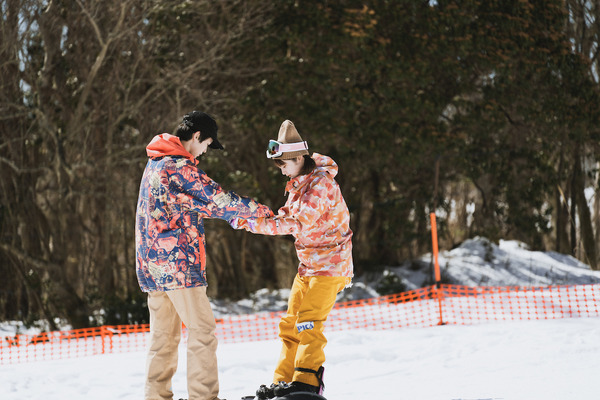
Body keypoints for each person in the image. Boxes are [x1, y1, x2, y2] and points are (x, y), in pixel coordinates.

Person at [135, 111, 272, 400]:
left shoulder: (155, 163)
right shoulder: (178, 167)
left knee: (163, 337)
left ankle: (155, 396)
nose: (206, 151)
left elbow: (200, 206)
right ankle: (204, 397)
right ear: (196, 136)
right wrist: (263, 213)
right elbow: (216, 199)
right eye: (207, 143)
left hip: (152, 265)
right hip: (179, 265)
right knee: (202, 330)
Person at [229, 120, 353, 399]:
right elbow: (283, 217)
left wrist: (251, 224)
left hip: (330, 265)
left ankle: (308, 380)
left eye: (283, 164)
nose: (281, 169)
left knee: (309, 320)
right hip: (309, 264)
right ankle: (284, 381)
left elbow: (296, 223)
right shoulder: (299, 183)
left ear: (299, 158)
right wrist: (256, 215)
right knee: (290, 323)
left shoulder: (320, 185)